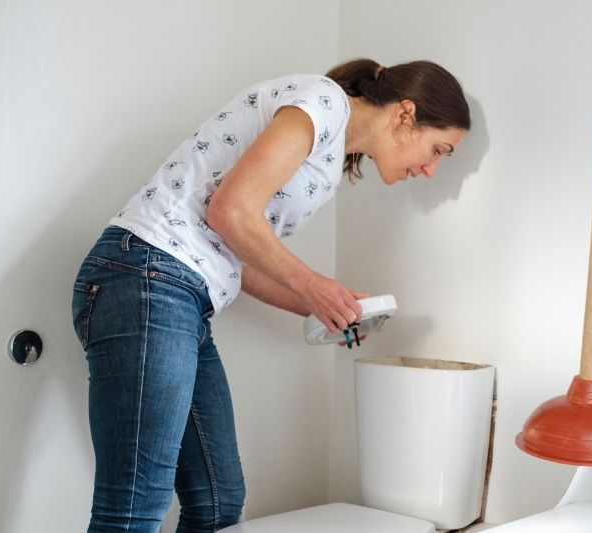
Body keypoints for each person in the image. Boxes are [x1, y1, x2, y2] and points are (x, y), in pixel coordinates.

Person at [70, 58, 471, 532]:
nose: (430, 170)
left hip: (182, 294)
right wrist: (314, 286)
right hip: (145, 275)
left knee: (218, 502)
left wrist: (327, 306)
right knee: (134, 508)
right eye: (438, 149)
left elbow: (240, 257)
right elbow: (231, 212)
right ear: (406, 114)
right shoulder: (322, 103)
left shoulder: (329, 165)